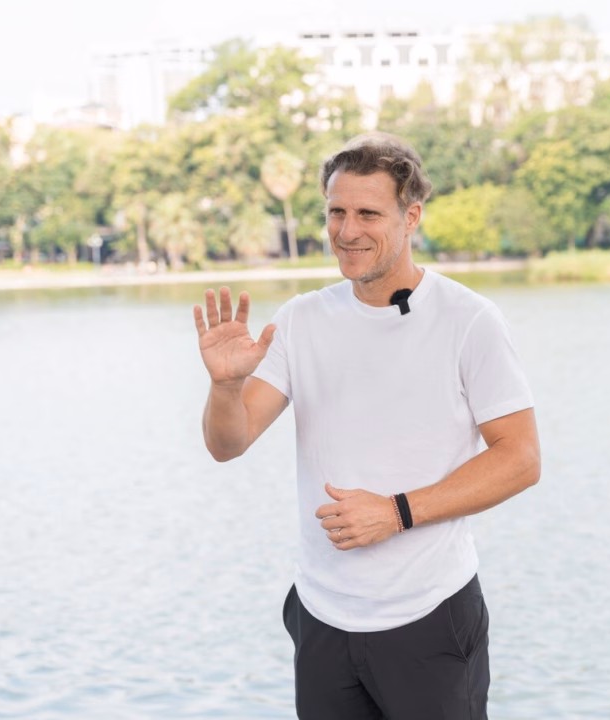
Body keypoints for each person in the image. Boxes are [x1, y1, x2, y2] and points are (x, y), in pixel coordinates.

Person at [192, 132, 540, 719]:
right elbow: (229, 443)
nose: (347, 231)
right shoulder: (301, 320)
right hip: (322, 619)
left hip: (429, 617)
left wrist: (397, 511)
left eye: (367, 214)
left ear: (411, 217)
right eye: (336, 212)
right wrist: (225, 386)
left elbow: (521, 459)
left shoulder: (469, 319)